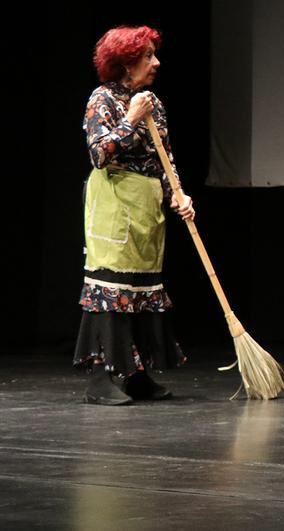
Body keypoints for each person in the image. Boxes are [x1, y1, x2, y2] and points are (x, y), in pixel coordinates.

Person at [73, 25, 194, 405]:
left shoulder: (153, 103)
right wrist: (130, 120)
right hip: (113, 200)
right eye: (147, 57)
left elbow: (164, 156)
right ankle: (99, 378)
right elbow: (98, 154)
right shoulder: (102, 99)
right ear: (126, 63)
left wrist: (178, 193)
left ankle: (136, 375)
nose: (156, 63)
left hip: (146, 203)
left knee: (141, 291)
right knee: (109, 290)